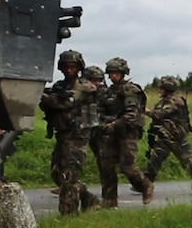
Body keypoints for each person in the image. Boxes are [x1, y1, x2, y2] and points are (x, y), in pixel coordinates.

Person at [38, 49, 102, 215]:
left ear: (79, 67)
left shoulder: (85, 86)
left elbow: (64, 102)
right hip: (62, 134)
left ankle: (69, 216)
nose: (69, 69)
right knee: (57, 173)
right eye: (66, 66)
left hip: (78, 136)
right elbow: (47, 103)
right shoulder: (60, 86)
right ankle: (88, 197)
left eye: (73, 66)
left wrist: (41, 95)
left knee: (69, 176)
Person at [96, 57, 153, 207]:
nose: (113, 76)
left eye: (117, 73)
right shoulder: (107, 92)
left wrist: (114, 124)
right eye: (111, 73)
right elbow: (99, 111)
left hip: (128, 132)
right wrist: (104, 123)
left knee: (127, 167)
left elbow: (131, 114)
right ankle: (109, 200)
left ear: (123, 73)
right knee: (106, 165)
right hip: (110, 132)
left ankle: (145, 186)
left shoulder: (130, 90)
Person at [143, 76, 192, 186]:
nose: (159, 90)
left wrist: (145, 110)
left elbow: (159, 114)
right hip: (165, 137)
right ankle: (145, 184)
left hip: (177, 138)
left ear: (167, 88)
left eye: (161, 88)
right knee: (155, 160)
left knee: (187, 162)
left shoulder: (175, 101)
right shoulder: (162, 102)